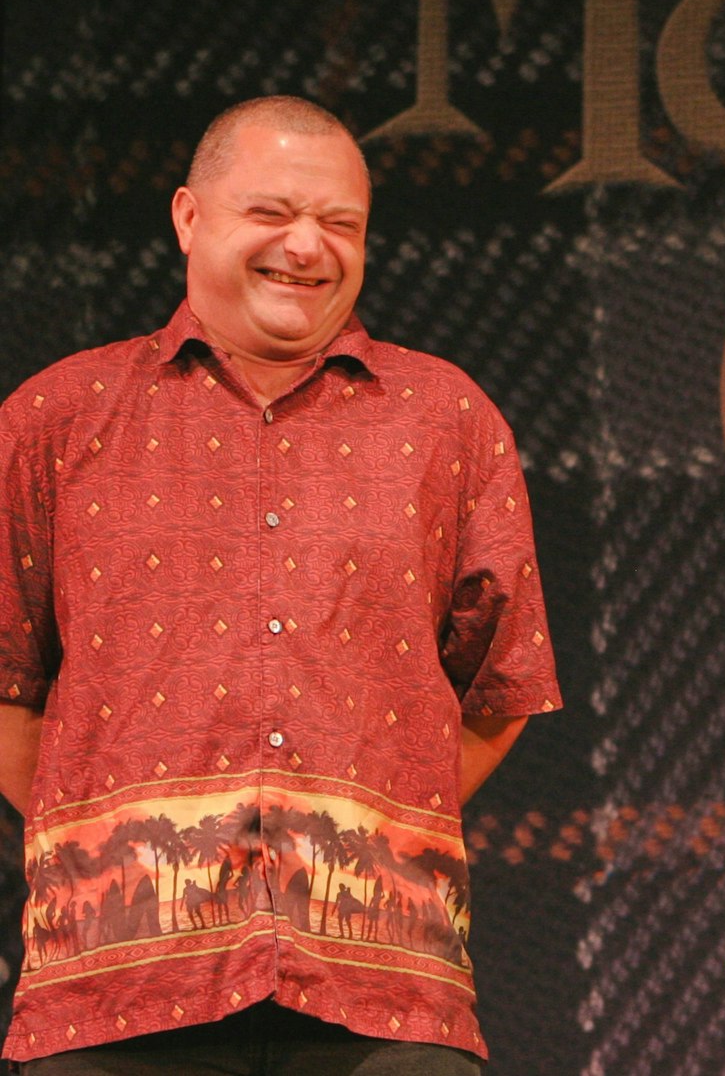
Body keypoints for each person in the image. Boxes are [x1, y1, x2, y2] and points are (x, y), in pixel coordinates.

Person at [0, 96, 561, 1072]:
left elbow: (500, 689)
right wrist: (114, 845)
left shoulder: (447, 420)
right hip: (113, 999)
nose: (307, 246)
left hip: (386, 1002)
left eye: (340, 225)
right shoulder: (55, 419)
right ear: (189, 217)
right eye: (272, 214)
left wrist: (362, 827)